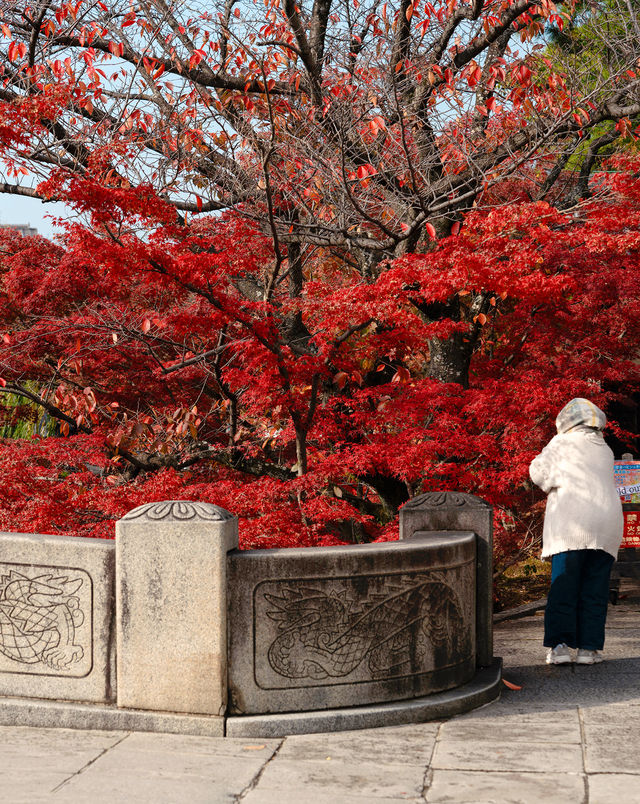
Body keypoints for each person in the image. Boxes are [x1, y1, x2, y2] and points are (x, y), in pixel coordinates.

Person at [529, 398, 623, 665]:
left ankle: (558, 648)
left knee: (564, 587)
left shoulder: (561, 443)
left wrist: (553, 482)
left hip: (572, 526)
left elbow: (538, 472)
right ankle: (588, 650)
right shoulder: (604, 447)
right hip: (606, 525)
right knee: (595, 589)